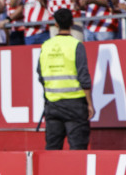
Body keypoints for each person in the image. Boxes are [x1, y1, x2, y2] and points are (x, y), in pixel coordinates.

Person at [37, 8, 93, 150]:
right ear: (72, 23)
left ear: (55, 24)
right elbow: (84, 77)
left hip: (53, 104)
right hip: (75, 104)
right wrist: (90, 104)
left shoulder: (46, 46)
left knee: (52, 149)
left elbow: (40, 73)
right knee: (77, 149)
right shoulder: (75, 45)